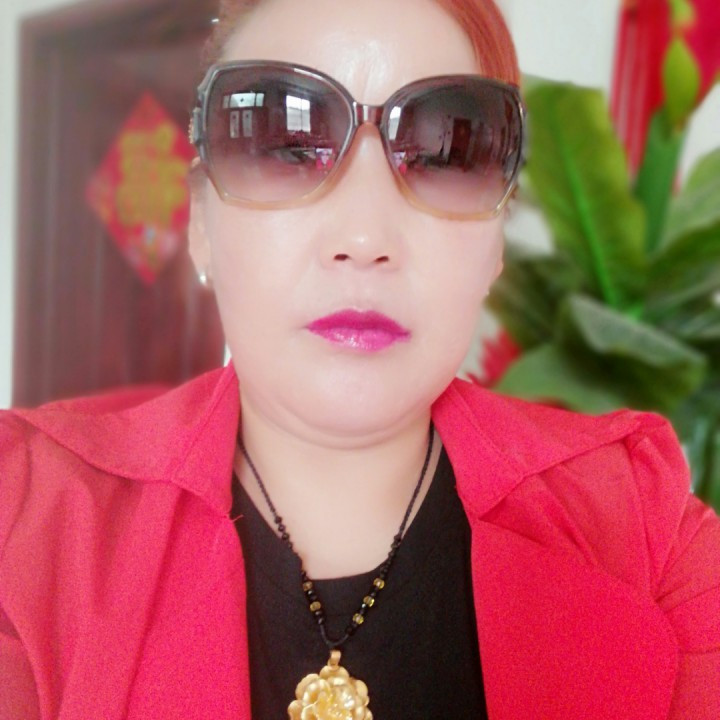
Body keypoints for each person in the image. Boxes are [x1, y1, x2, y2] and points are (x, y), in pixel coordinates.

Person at [1, 0, 719, 718]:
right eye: (288, 145)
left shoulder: (642, 530)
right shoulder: (24, 523)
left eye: (444, 154)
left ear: (496, 242)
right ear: (201, 226)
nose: (365, 237)